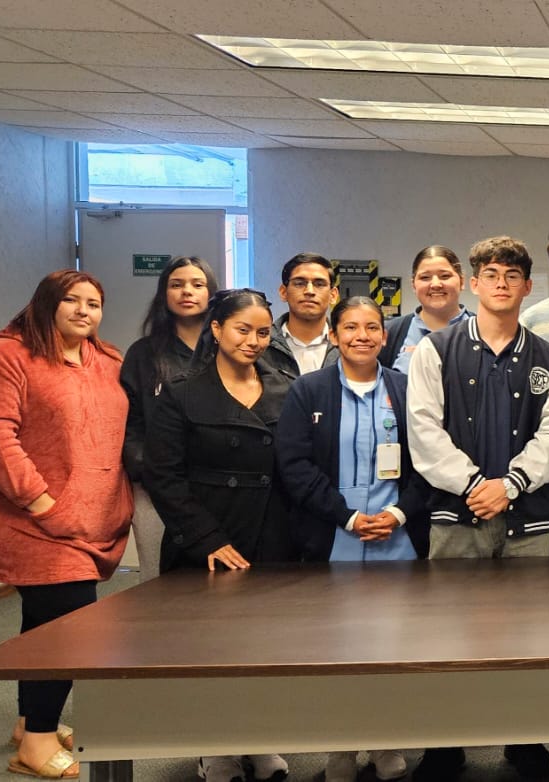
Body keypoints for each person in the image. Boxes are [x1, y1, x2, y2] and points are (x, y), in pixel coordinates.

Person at [405, 236, 549, 782]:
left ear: (529, 288)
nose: (501, 283)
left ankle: (524, 740)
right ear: (473, 284)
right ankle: (444, 744)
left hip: (527, 521)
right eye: (491, 274)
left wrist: (510, 484)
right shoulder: (435, 351)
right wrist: (477, 483)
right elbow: (424, 430)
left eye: (513, 276)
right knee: (448, 640)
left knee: (529, 639)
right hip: (455, 519)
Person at [0, 270, 133, 782]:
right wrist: (43, 503)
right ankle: (37, 744)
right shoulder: (6, 357)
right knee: (69, 630)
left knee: (43, 628)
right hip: (32, 523)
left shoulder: (106, 360)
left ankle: (28, 722)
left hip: (94, 522)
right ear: (46, 303)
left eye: (94, 302)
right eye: (72, 300)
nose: (84, 310)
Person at [141, 288, 296, 782]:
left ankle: (260, 740)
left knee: (267, 648)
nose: (253, 341)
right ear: (216, 330)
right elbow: (164, 476)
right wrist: (206, 538)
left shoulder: (288, 387)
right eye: (242, 330)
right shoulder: (182, 391)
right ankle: (216, 747)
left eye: (263, 332)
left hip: (273, 536)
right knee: (210, 652)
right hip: (206, 539)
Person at [276, 297, 430, 782]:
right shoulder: (309, 390)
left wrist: (399, 512)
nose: (362, 335)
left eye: (371, 328)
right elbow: (294, 466)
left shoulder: (407, 390)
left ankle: (385, 744)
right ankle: (339, 751)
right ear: (335, 334)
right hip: (333, 540)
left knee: (391, 652)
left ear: (385, 337)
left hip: (396, 540)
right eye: (350, 327)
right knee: (336, 654)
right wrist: (345, 517)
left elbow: (430, 461)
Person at [120, 256, 217, 580]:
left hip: (217, 485)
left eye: (197, 284)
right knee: (159, 583)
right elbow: (131, 425)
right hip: (156, 489)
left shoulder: (227, 348)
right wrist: (152, 473)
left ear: (211, 293)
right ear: (164, 294)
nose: (186, 291)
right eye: (176, 285)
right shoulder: (143, 353)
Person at [378, 245, 470, 374]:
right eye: (425, 277)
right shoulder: (390, 333)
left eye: (444, 276)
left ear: (462, 281)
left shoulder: (484, 332)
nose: (436, 284)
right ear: (413, 285)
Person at [262, 252, 340, 377]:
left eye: (319, 284)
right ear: (283, 292)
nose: (309, 291)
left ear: (333, 295)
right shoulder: (261, 344)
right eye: (299, 283)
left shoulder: (348, 344)